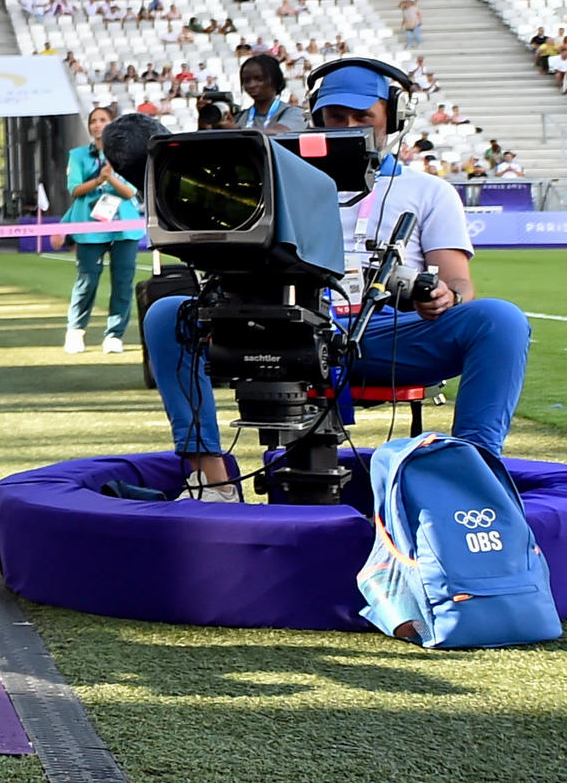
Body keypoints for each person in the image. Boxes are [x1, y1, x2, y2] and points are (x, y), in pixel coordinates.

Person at [143, 63, 529, 491]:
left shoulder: (429, 191)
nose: (349, 127)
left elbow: (460, 284)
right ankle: (209, 478)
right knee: (167, 315)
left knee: (501, 320)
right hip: (281, 322)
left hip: (384, 330)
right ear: (317, 117)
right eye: (336, 117)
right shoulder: (273, 182)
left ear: (393, 117)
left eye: (363, 117)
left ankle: (471, 480)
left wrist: (442, 296)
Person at [61, 103, 144, 356]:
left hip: (124, 226)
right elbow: (75, 189)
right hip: (90, 225)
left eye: (103, 120)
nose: (98, 125)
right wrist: (98, 180)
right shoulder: (78, 155)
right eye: (93, 121)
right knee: (87, 280)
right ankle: (75, 330)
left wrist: (111, 178)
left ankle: (114, 335)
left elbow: (131, 191)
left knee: (123, 282)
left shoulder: (127, 155)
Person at [239, 52, 300, 134]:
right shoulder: (240, 117)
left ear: (275, 80)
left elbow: (279, 132)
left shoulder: (295, 113)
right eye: (246, 80)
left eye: (259, 79)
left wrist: (235, 130)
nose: (251, 85)